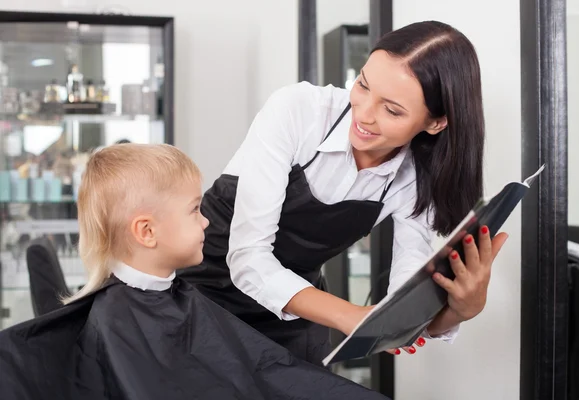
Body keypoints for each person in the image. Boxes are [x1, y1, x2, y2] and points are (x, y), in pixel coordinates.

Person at [178, 20, 509, 365]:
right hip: (201, 294)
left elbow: (402, 301)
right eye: (363, 85)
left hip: (292, 316)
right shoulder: (298, 111)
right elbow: (248, 258)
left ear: (435, 122)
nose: (363, 115)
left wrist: (460, 309)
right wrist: (352, 317)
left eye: (392, 110)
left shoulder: (418, 177)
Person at [0, 144, 388, 400]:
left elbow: (260, 367)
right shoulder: (121, 320)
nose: (206, 223)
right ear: (146, 232)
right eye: (194, 210)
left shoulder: (173, 299)